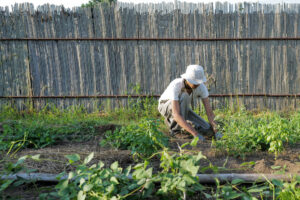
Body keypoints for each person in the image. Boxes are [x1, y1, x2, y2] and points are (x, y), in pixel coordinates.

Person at [158, 65, 222, 141]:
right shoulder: (176, 85)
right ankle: (175, 131)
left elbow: (210, 113)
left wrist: (217, 131)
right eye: (194, 82)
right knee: (185, 95)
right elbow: (176, 114)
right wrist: (195, 134)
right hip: (165, 106)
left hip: (183, 109)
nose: (197, 85)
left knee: (207, 129)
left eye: (198, 82)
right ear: (187, 79)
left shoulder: (201, 87)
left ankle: (184, 125)